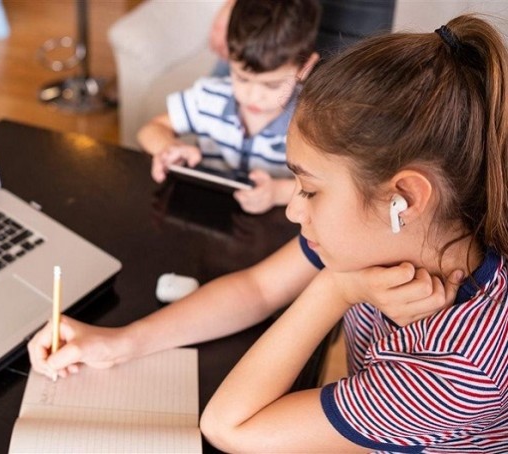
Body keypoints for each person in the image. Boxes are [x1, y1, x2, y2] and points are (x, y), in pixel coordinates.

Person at [29, 13, 508, 451]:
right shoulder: (391, 235)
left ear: (404, 196)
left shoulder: (461, 369)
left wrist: (337, 290)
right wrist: (121, 342)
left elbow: (229, 426)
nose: (295, 211)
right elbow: (258, 289)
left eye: (311, 190)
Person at [138, 0, 321, 214]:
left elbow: (325, 187)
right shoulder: (211, 97)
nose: (253, 96)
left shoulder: (312, 121)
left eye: (272, 85)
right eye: (242, 78)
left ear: (305, 66)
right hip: (207, 215)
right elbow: (149, 130)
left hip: (275, 227)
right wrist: (168, 147)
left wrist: (277, 193)